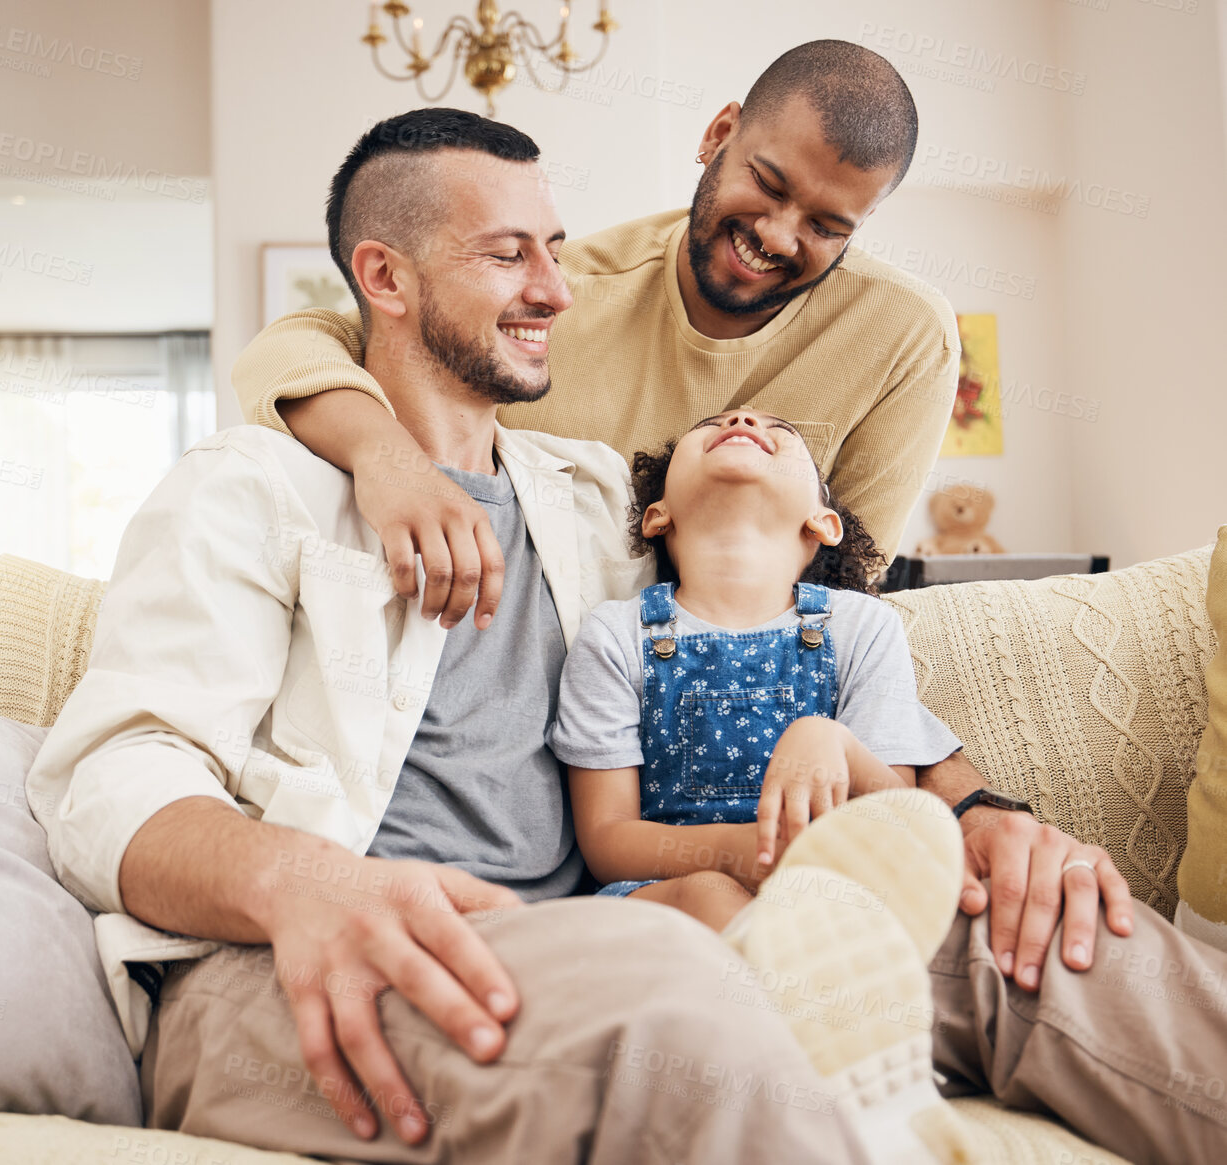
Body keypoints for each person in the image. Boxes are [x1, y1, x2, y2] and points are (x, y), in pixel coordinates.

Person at [29, 107, 1227, 1165]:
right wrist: (310, 884)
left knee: (1024, 939)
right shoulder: (248, 490)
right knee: (682, 1004)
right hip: (300, 966)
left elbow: (782, 630)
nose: (557, 287)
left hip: (607, 928)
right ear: (384, 280)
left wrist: (981, 815)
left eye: (555, 248)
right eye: (509, 254)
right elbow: (111, 778)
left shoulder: (596, 495)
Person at [235, 37, 1138, 1011]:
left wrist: (977, 805)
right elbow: (298, 341)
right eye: (767, 183)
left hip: (813, 792)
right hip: (636, 815)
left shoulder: (903, 336)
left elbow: (840, 604)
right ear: (717, 137)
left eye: (829, 223)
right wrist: (385, 456)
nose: (781, 235)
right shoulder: (566, 295)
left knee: (1062, 966)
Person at [552, 410, 961, 932]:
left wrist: (829, 740)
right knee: (709, 893)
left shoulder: (864, 627)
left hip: (823, 888)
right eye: (709, 424)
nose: (743, 419)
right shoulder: (614, 636)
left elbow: (893, 819)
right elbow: (607, 841)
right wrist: (742, 854)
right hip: (657, 897)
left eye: (783, 432)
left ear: (822, 522)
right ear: (657, 515)